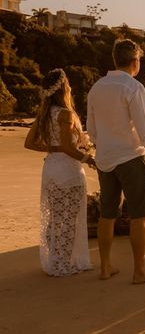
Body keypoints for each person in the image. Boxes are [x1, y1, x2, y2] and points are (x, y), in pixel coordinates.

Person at [86, 39, 145, 284]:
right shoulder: (133, 87)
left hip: (105, 158)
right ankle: (139, 271)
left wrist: (105, 147)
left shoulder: (97, 87)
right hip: (130, 157)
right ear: (135, 61)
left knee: (107, 214)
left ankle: (105, 267)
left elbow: (92, 129)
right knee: (139, 215)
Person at [24, 68, 94, 277]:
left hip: (51, 168)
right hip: (68, 171)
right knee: (68, 218)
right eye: (68, 84)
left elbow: (29, 143)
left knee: (56, 217)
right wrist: (88, 159)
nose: (71, 87)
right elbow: (67, 146)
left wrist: (52, 149)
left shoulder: (45, 114)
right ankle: (63, 264)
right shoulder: (65, 114)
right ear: (63, 88)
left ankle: (55, 260)